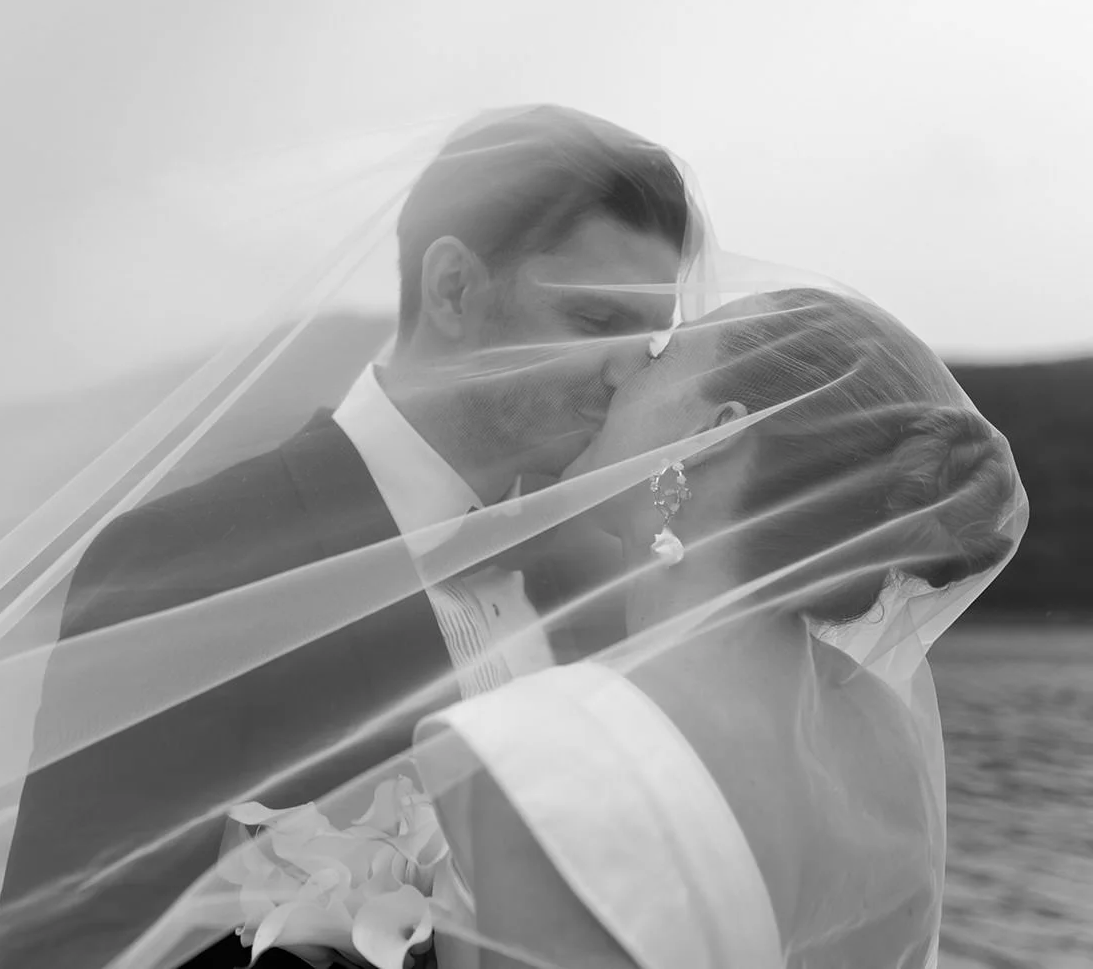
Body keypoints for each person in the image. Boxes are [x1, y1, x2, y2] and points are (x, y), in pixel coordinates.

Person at [0, 106, 699, 969]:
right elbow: (64, 952)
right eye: (596, 323)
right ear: (452, 290)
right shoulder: (193, 561)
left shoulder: (583, 575)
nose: (630, 371)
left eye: (651, 337)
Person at [409, 288, 1023, 968]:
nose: (620, 373)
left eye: (662, 352)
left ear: (712, 433)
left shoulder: (550, 750)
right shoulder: (891, 737)